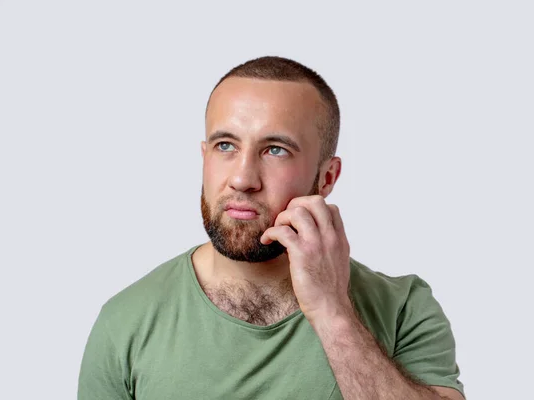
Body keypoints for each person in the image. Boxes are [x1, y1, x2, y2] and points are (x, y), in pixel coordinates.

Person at [78, 56, 465, 400]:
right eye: (225, 146)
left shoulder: (403, 309)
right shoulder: (125, 322)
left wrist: (333, 314)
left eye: (275, 150)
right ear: (204, 157)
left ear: (327, 177)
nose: (242, 179)